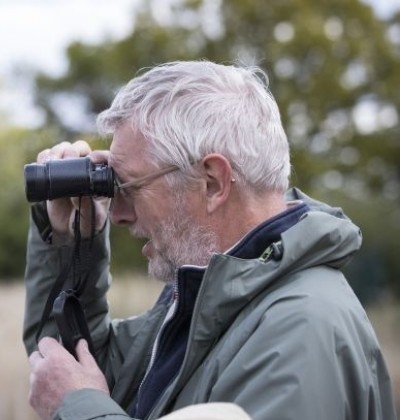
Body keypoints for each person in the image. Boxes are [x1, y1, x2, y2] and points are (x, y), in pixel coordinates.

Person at [22, 60, 397, 420]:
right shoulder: (213, 296)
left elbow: (82, 396)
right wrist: (68, 237)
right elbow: (73, 366)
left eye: (129, 187)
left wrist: (78, 408)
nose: (119, 214)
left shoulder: (300, 330)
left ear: (213, 182)